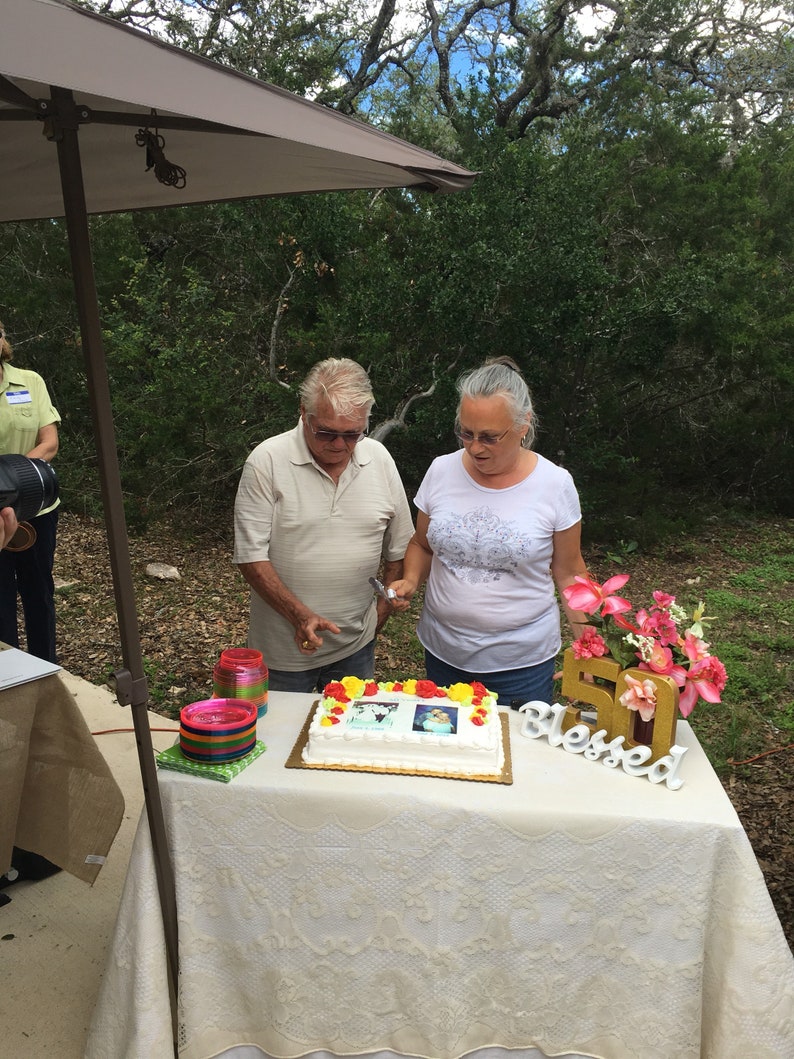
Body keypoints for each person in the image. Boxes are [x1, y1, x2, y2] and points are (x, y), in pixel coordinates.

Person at [388, 356, 589, 707]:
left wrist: (590, 648)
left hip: (521, 665)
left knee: (517, 758)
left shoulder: (555, 484)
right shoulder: (440, 471)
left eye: (489, 437)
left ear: (523, 424)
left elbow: (570, 572)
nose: (474, 447)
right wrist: (410, 580)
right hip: (443, 654)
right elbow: (422, 544)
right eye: (466, 432)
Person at [234, 357, 414, 693]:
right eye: (326, 432)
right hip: (281, 653)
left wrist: (380, 613)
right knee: (281, 741)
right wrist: (299, 616)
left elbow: (399, 549)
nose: (339, 445)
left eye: (352, 435)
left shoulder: (378, 459)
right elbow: (250, 557)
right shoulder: (267, 461)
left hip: (356, 649)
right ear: (304, 412)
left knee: (345, 739)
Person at [0, 323, 60, 663]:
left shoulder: (29, 381)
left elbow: (49, 443)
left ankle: (48, 669)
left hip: (36, 508)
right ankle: (8, 674)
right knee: (0, 599)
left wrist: (11, 478)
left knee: (39, 594)